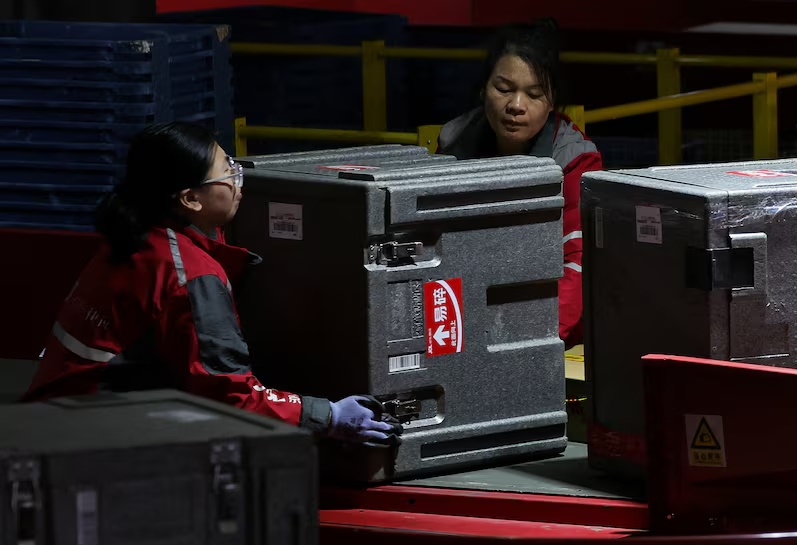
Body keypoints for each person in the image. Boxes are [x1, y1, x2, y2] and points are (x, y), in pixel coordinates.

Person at [23, 122, 400, 446]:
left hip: (58, 416)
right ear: (190, 199)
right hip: (96, 441)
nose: (239, 182)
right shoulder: (189, 272)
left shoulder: (133, 240)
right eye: (228, 172)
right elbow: (229, 396)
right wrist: (329, 416)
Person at [437, 19, 603, 348]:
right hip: (468, 321)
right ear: (484, 88)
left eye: (534, 94)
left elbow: (577, 264)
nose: (516, 105)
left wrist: (529, 343)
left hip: (553, 330)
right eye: (503, 88)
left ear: (552, 101)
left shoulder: (576, 161)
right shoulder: (453, 143)